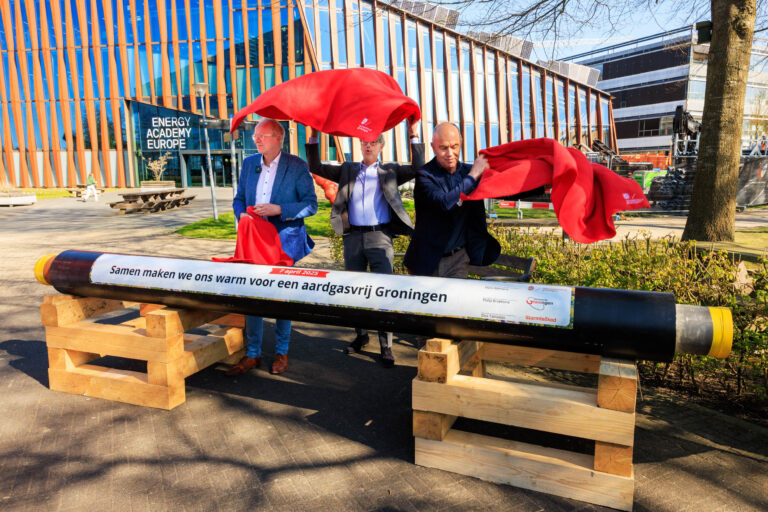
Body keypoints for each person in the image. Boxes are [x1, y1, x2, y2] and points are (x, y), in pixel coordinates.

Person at [305, 120, 423, 367]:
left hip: (380, 236)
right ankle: (361, 335)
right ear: (360, 145)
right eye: (364, 142)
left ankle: (386, 345)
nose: (368, 146)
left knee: (384, 292)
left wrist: (413, 136)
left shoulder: (390, 171)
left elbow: (419, 168)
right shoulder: (348, 169)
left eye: (373, 142)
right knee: (354, 291)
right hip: (353, 237)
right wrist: (314, 134)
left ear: (381, 146)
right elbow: (314, 165)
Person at [227, 119, 318, 376]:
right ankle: (253, 353)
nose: (256, 140)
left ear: (279, 138)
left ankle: (281, 351)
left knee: (280, 299)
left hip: (284, 242)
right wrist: (241, 215)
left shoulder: (297, 166)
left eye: (262, 135)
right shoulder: (249, 164)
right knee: (253, 299)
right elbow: (240, 199)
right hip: (254, 241)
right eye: (255, 135)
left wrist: (280, 209)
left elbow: (311, 204)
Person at [404, 122, 500, 279]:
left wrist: (542, 179)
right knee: (429, 304)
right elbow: (444, 203)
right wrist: (473, 176)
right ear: (433, 147)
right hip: (426, 260)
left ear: (461, 144)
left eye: (455, 146)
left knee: (456, 302)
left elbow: (504, 188)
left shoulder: (470, 172)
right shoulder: (425, 175)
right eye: (443, 148)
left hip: (459, 259)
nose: (450, 153)